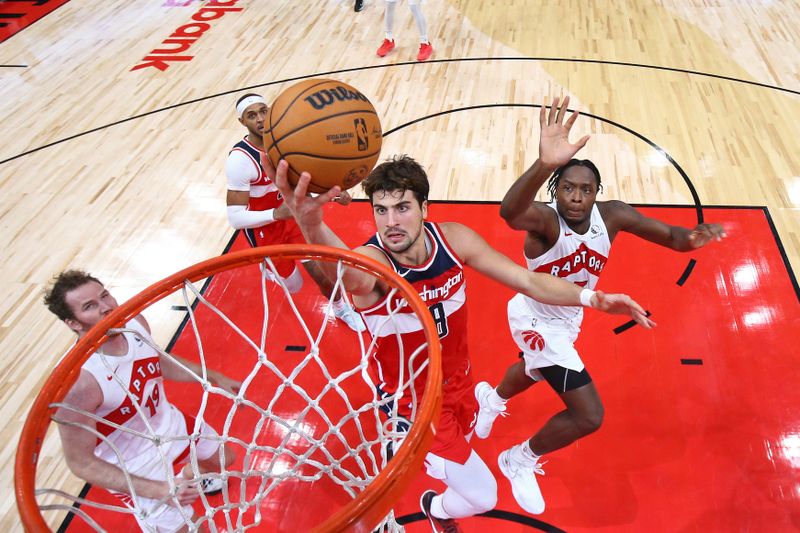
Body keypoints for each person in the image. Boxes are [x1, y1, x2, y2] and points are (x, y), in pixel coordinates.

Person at [268, 153, 654, 531]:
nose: (391, 222)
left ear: (425, 208)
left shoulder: (452, 239)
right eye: (380, 211)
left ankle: (431, 480)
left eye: (402, 207)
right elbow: (351, 276)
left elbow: (529, 280)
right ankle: (433, 503)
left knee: (463, 456)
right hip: (414, 404)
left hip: (459, 384)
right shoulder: (376, 262)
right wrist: (312, 224)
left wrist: (593, 298)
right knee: (483, 496)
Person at [472, 96, 727, 515]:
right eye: (568, 188)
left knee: (536, 369)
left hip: (569, 315)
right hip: (535, 315)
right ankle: (518, 459)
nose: (576, 197)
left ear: (596, 193)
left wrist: (696, 236)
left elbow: (675, 239)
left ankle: (493, 398)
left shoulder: (613, 216)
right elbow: (508, 212)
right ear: (558, 190)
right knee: (589, 416)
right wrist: (543, 164)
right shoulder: (545, 220)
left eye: (585, 190)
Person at [44, 270, 242, 532]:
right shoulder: (78, 383)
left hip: (168, 424)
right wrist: (161, 490)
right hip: (134, 465)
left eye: (105, 295)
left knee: (224, 459)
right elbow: (80, 462)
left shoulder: (134, 323)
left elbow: (155, 361)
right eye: (90, 307)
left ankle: (192, 482)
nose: (107, 307)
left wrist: (212, 376)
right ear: (74, 323)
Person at [225, 93, 365, 332]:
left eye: (263, 111)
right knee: (294, 285)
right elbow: (235, 218)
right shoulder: (240, 160)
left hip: (294, 220)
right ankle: (271, 270)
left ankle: (341, 307)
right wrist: (276, 214)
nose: (260, 119)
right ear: (242, 122)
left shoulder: (289, 142)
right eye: (251, 115)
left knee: (323, 274)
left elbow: (306, 176)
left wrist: (335, 190)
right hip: (265, 230)